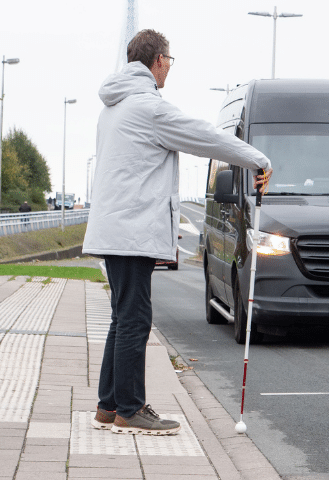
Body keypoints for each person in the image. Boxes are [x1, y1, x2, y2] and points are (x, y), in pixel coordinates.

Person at [82, 29, 273, 436]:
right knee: (134, 320)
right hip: (132, 230)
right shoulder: (149, 108)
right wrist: (258, 158)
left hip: (115, 228)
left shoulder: (113, 107)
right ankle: (130, 410)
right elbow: (206, 137)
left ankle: (108, 405)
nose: (169, 67)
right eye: (169, 60)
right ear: (158, 61)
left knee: (122, 318)